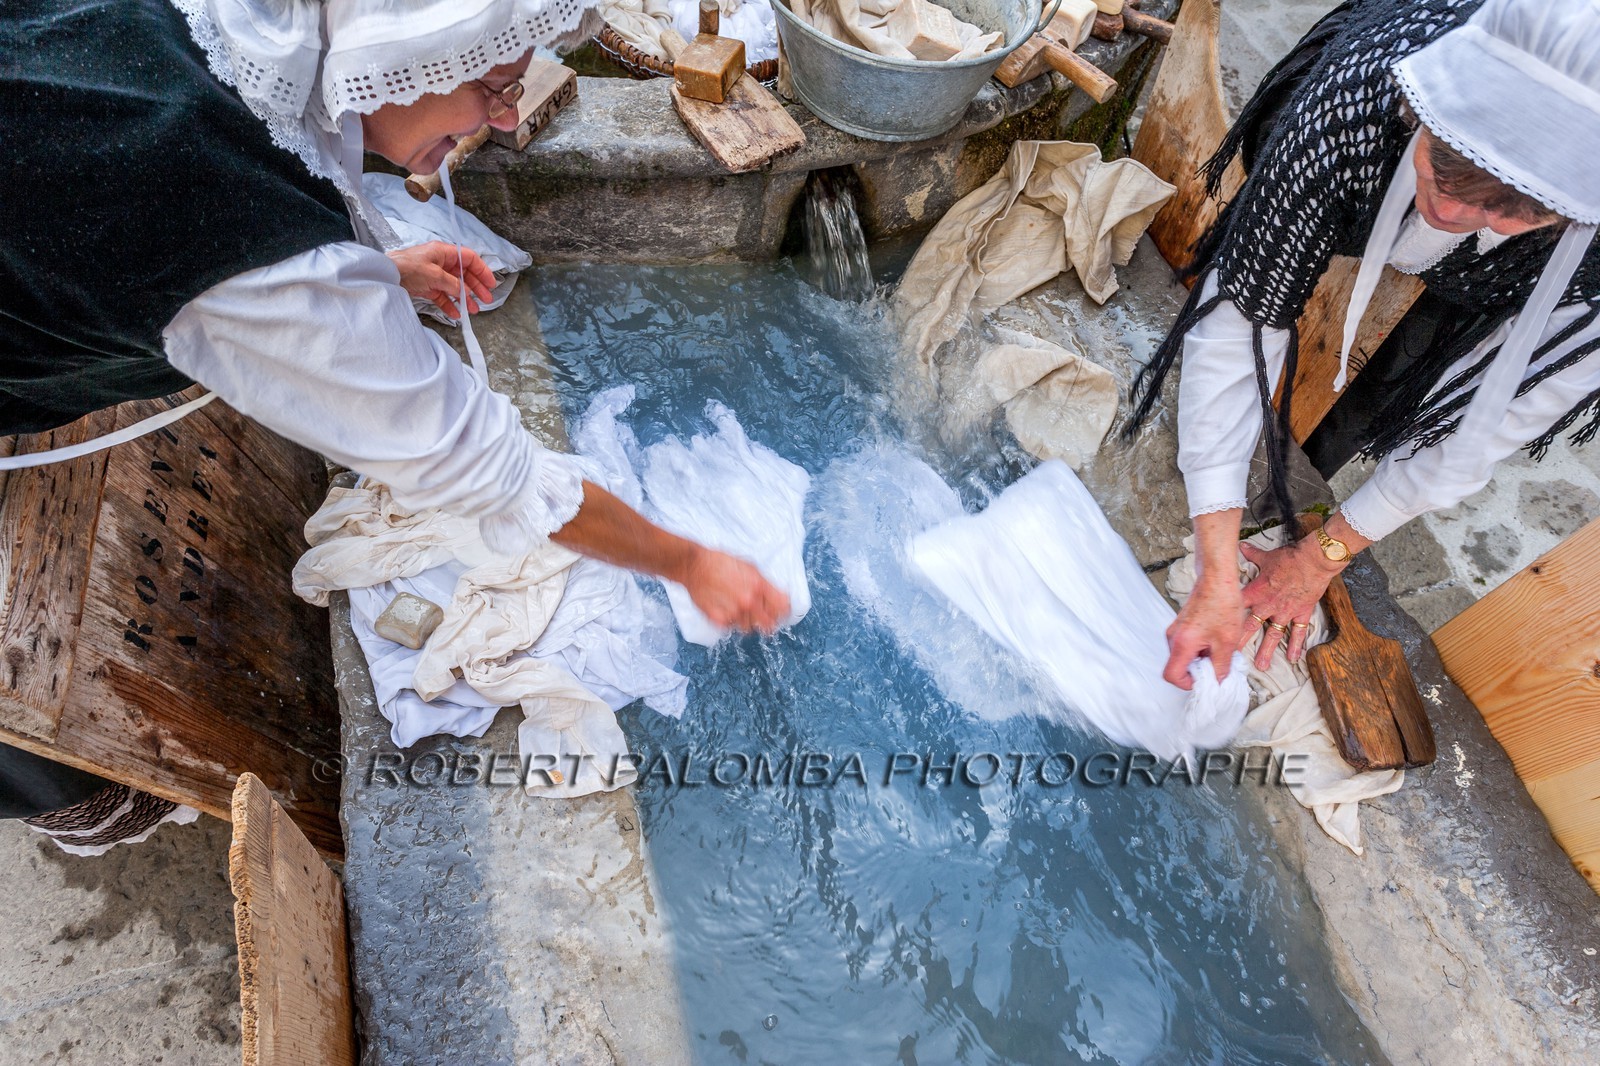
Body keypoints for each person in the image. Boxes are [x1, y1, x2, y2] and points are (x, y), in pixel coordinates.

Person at [0, 0, 786, 828]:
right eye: (496, 86)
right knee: (39, 746)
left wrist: (379, 268)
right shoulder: (226, 221)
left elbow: (259, 174)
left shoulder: (230, 31)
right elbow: (505, 479)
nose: (509, 116)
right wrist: (693, 566)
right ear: (409, 50)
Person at [1127, 0, 1600, 690]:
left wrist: (1325, 555)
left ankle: (1299, 490)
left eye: (1507, 206)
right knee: (1278, 259)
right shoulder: (1359, 98)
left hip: (1523, 265)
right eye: (1446, 165)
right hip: (1366, 154)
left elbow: (1495, 419)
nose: (1454, 211)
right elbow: (1244, 319)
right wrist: (1216, 567)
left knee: (1398, 383)